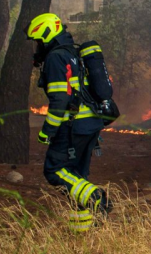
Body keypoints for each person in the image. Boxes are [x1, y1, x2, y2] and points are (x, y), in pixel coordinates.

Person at [28, 13, 111, 232]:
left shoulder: (56, 57)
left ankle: (95, 196)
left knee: (54, 169)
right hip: (90, 123)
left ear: (46, 35)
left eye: (38, 41)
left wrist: (48, 131)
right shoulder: (72, 52)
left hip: (72, 126)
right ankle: (82, 229)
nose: (37, 47)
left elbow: (60, 99)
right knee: (76, 177)